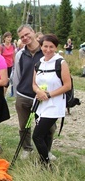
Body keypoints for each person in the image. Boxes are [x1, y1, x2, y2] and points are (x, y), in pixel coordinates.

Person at [13, 24, 57, 160]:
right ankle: (27, 148)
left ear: (33, 32)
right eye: (22, 37)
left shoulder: (46, 51)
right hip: (24, 96)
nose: (25, 38)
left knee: (48, 127)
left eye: (27, 34)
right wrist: (17, 94)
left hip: (43, 97)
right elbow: (17, 75)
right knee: (24, 125)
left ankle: (46, 151)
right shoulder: (20, 54)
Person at [32, 34, 71, 168]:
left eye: (51, 47)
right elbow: (34, 84)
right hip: (39, 104)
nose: (48, 49)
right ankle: (43, 159)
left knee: (36, 136)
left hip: (54, 105)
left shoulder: (61, 62)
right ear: (41, 46)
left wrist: (48, 94)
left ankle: (46, 164)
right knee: (44, 135)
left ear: (56, 47)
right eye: (45, 46)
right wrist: (39, 92)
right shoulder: (39, 63)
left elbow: (67, 85)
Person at [0, 32, 15, 96]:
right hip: (3, 67)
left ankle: (3, 96)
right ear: (4, 38)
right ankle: (1, 95)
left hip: (10, 66)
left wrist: (15, 64)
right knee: (3, 81)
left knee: (7, 82)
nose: (9, 39)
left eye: (10, 37)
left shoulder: (13, 46)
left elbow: (13, 55)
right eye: (8, 37)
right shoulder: (1, 46)